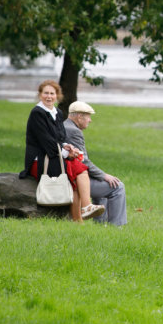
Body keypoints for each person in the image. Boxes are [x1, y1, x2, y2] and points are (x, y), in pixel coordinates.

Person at [20, 80, 105, 222]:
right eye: (45, 93)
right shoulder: (37, 114)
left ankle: (82, 214)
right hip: (40, 160)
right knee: (78, 170)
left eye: (52, 93)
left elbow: (60, 138)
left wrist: (68, 147)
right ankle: (84, 210)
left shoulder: (57, 112)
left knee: (78, 169)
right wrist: (66, 153)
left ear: (57, 96)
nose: (49, 96)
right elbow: (45, 141)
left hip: (54, 155)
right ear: (40, 95)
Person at [63, 101, 127, 226]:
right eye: (88, 116)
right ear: (79, 116)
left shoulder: (65, 125)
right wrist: (104, 175)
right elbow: (83, 160)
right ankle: (117, 227)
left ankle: (100, 226)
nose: (90, 120)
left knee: (103, 185)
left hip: (69, 175)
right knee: (117, 187)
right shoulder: (74, 131)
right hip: (73, 179)